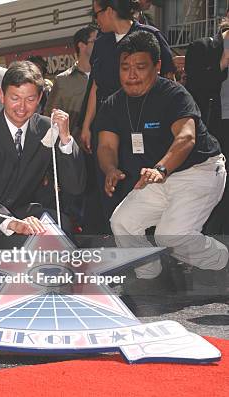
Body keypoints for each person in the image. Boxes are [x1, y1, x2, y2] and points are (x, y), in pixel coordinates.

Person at [96, 31, 227, 284]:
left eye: (140, 67)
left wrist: (161, 169)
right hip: (155, 178)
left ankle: (223, 261)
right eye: (125, 67)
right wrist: (111, 169)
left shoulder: (174, 94)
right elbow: (106, 146)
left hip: (199, 171)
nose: (131, 74)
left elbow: (186, 138)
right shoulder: (113, 104)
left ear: (156, 67)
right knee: (122, 222)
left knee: (171, 236)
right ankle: (149, 276)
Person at [0, 61, 86, 294]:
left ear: (40, 99)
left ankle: (58, 299)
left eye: (30, 99)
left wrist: (66, 139)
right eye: (15, 97)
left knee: (61, 225)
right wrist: (12, 223)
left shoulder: (47, 128)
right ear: (1, 95)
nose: (22, 107)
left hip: (27, 212)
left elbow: (76, 186)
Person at [80, 0, 176, 233]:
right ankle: (117, 243)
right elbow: (95, 87)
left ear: (110, 11)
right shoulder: (102, 43)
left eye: (97, 14)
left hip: (143, 127)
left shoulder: (148, 35)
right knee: (109, 182)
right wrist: (86, 126)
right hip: (106, 127)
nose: (96, 21)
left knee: (141, 183)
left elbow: (169, 80)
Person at [45, 25, 97, 228]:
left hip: (103, 149)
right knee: (76, 207)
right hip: (76, 152)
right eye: (95, 41)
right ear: (82, 46)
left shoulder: (106, 77)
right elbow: (49, 117)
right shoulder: (63, 80)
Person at [185, 16, 229, 236]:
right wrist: (222, 62)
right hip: (215, 133)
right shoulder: (201, 48)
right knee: (214, 201)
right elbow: (193, 92)